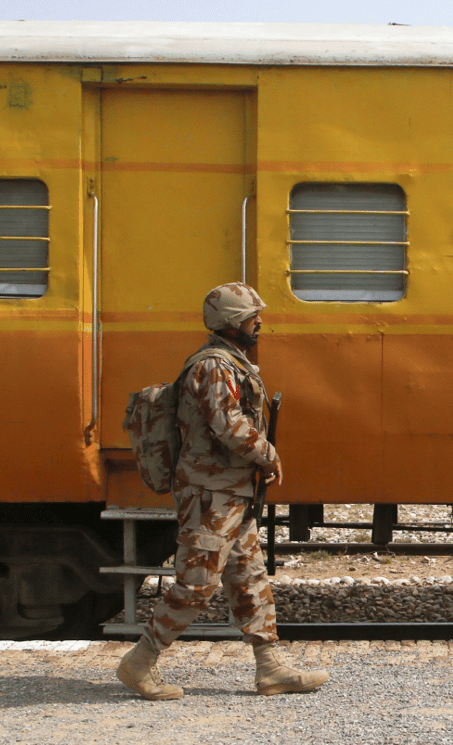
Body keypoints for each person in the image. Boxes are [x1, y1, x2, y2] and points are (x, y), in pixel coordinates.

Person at [116, 282, 329, 700]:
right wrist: (267, 454)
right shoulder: (214, 365)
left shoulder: (232, 361)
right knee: (197, 583)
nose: (259, 322)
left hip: (231, 490)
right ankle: (138, 664)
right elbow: (227, 424)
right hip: (210, 494)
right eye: (252, 317)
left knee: (249, 576)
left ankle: (271, 669)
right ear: (232, 323)